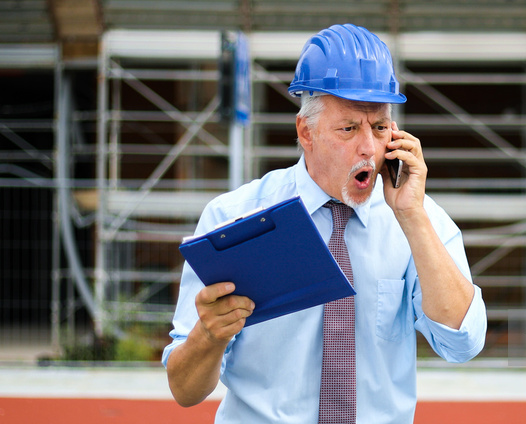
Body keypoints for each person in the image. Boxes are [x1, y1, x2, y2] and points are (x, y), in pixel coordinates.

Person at [162, 23, 487, 423]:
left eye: (381, 127)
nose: (369, 147)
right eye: (349, 128)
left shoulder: (419, 217)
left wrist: (412, 217)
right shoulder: (233, 219)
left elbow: (463, 343)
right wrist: (209, 335)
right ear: (306, 132)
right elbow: (184, 390)